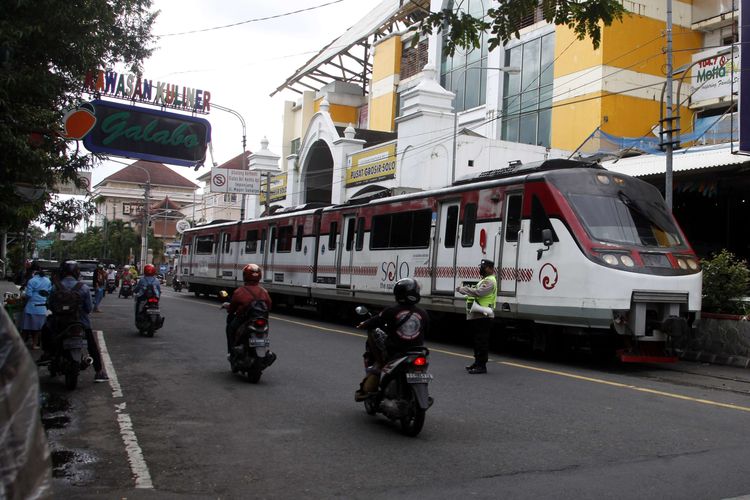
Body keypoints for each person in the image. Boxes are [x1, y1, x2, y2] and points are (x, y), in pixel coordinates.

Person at [354, 278, 429, 401]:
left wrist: (363, 324)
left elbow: (375, 321)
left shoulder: (391, 311)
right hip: (417, 351)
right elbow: (426, 330)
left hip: (395, 352)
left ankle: (367, 391)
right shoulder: (423, 313)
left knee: (379, 365)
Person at [43, 260, 108, 382]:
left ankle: (47, 354)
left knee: (46, 330)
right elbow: (88, 308)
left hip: (59, 323)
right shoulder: (83, 287)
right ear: (77, 272)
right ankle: (99, 371)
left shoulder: (55, 287)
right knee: (92, 345)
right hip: (80, 323)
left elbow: (50, 304)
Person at [456, 259, 497, 374]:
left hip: (484, 315)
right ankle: (477, 362)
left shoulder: (490, 281)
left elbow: (478, 293)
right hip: (478, 314)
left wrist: (463, 289)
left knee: (482, 341)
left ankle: (481, 366)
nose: (481, 269)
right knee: (477, 340)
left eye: (484, 267)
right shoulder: (485, 280)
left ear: (490, 268)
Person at [225, 263, 272, 357]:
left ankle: (231, 353)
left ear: (244, 276)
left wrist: (228, 308)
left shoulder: (239, 291)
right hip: (261, 320)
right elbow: (269, 306)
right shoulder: (264, 291)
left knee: (230, 328)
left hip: (244, 320)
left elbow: (232, 309)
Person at [21, 261, 52, 349]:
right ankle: (34, 344)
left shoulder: (32, 280)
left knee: (25, 328)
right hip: (42, 308)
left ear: (35, 273)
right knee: (38, 329)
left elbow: (28, 295)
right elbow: (49, 294)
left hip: (30, 307)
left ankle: (21, 344)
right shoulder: (48, 280)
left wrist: (24, 300)